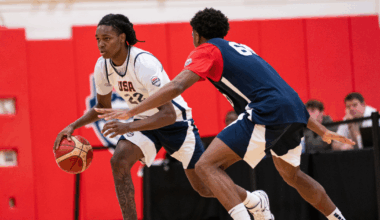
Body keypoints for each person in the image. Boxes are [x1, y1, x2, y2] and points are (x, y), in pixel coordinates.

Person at [96, 8, 356, 220]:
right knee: (293, 175)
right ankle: (337, 218)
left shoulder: (207, 50)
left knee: (206, 165)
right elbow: (283, 94)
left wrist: (131, 111)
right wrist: (320, 129)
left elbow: (176, 86)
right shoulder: (240, 49)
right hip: (293, 111)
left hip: (266, 112)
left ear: (197, 34)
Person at [54, 14, 273, 220]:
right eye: (98, 39)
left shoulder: (143, 63)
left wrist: (127, 125)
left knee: (205, 187)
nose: (101, 44)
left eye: (107, 39)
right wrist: (73, 126)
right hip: (144, 124)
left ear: (122, 38)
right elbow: (102, 106)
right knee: (119, 160)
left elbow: (167, 114)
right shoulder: (103, 66)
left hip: (176, 123)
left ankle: (254, 200)